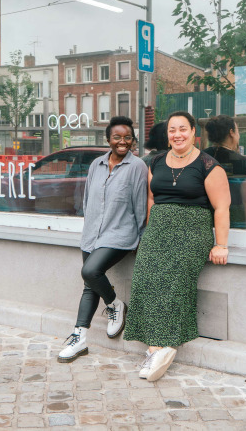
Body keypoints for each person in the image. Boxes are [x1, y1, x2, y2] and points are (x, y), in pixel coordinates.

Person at [123, 111, 230, 381]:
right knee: (145, 281)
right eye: (172, 130)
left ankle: (160, 348)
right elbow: (151, 198)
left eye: (183, 129)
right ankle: (156, 349)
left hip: (191, 232)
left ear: (194, 132)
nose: (177, 134)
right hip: (158, 231)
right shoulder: (156, 161)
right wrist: (148, 230)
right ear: (167, 134)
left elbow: (221, 208)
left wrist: (221, 245)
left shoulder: (209, 166)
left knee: (172, 285)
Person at [58, 116, 148, 362]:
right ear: (108, 139)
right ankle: (79, 338)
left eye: (127, 137)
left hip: (120, 233)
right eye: (117, 137)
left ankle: (115, 304)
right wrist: (88, 230)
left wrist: (141, 240)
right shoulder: (96, 164)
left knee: (90, 272)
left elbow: (140, 205)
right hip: (92, 235)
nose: (122, 142)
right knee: (90, 284)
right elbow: (88, 200)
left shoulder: (137, 166)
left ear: (133, 140)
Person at [204, 115, 246, 230]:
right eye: (238, 132)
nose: (238, 136)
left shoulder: (199, 158)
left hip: (205, 227)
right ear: (231, 133)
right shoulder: (245, 164)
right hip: (235, 226)